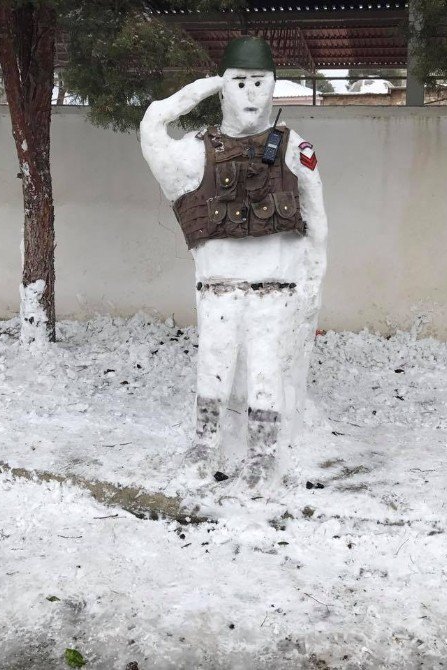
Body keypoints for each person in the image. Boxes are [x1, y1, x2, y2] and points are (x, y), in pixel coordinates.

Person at [140, 36, 328, 489]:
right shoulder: (194, 152)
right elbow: (150, 130)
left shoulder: (291, 148)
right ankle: (204, 445)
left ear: (275, 87)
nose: (249, 93)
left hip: (273, 291)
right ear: (223, 87)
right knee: (214, 364)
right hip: (219, 288)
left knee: (266, 368)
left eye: (259, 82)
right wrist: (197, 90)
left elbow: (316, 220)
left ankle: (264, 455)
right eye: (238, 82)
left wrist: (311, 285)